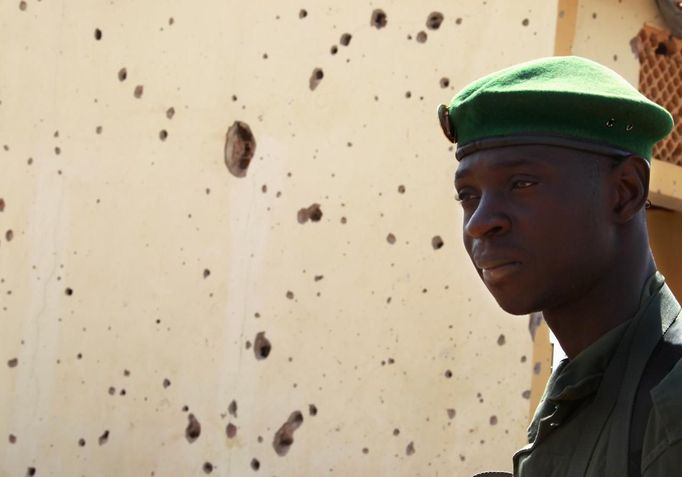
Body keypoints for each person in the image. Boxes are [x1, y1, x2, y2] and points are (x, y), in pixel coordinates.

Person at [437, 56, 680, 477]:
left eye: (521, 183)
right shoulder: (584, 384)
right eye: (468, 195)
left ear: (624, 192)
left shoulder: (670, 401)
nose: (479, 223)